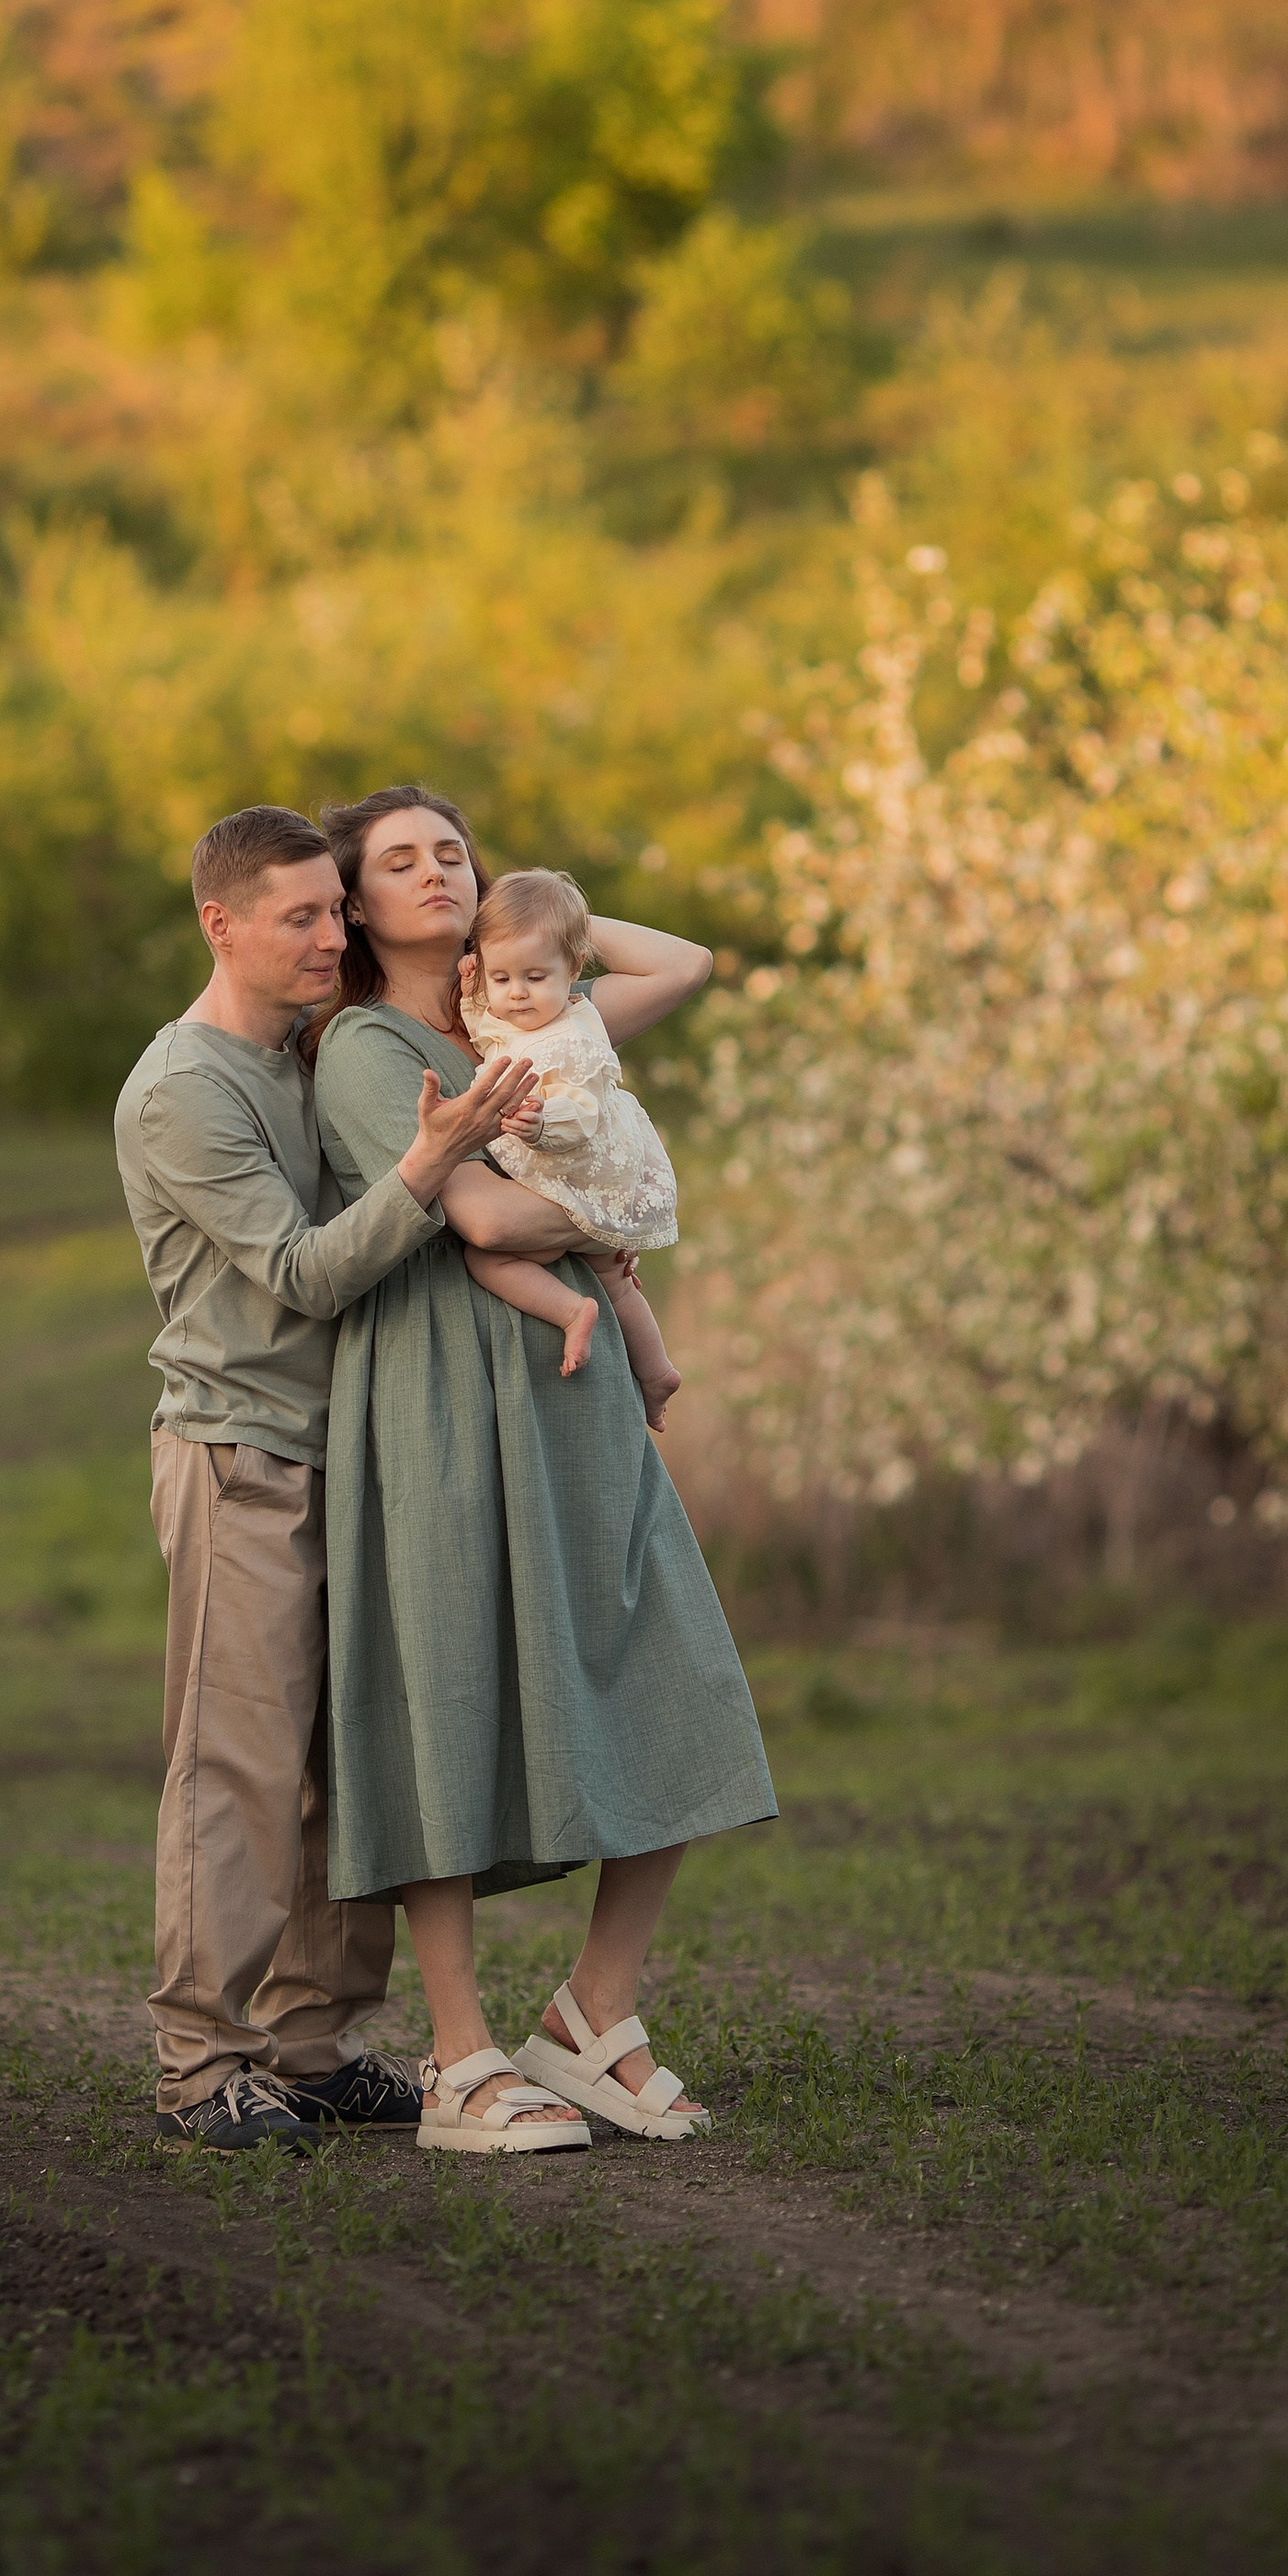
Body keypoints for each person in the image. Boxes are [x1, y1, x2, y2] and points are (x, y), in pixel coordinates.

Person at [312, 785, 778, 2155]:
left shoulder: (524, 1014)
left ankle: (589, 2017)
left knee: (673, 1665)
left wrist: (543, 925)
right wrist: (626, 1208)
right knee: (449, 1696)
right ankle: (460, 2057)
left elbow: (679, 963)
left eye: (452, 848)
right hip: (447, 1396)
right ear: (357, 903)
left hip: (576, 1395)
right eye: (397, 860)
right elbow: (481, 1214)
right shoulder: (360, 1047)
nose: (436, 869)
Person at [114, 803, 539, 2153]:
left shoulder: (310, 1053)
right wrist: (434, 1156)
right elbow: (300, 1271)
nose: (328, 933)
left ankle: (309, 2042)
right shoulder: (183, 1088)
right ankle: (199, 2062)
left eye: (331, 908)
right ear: (217, 923)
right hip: (241, 1455)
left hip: (350, 1450)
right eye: (297, 914)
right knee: (234, 1766)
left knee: (347, 1765)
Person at [457, 864, 686, 1428]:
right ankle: (656, 1372)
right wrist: (470, 997)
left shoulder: (576, 1037)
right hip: (566, 1170)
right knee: (612, 1274)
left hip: (577, 1163)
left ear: (574, 969)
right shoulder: (517, 1014)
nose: (516, 994)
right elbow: (488, 1033)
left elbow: (580, 1114)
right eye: (501, 978)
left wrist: (542, 1125)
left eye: (535, 977)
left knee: (488, 1258)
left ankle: (569, 1310)